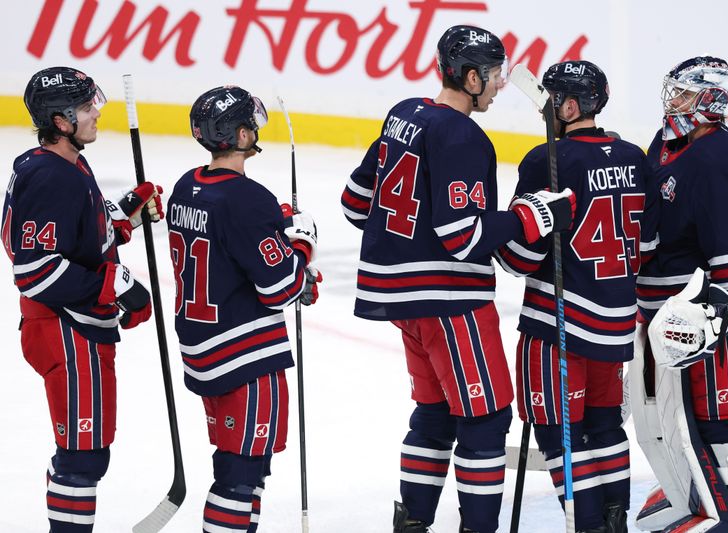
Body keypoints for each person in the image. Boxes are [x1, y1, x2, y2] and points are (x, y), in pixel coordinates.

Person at [341, 26, 574, 533]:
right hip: (450, 304)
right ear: (469, 77)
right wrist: (527, 216)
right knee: (486, 418)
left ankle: (413, 523)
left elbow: (355, 204)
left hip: (398, 300)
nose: (497, 86)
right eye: (492, 76)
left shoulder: (402, 113)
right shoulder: (465, 136)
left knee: (434, 411)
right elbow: (463, 238)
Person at [495, 60, 660, 533]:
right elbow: (645, 247)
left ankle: (587, 525)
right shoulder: (634, 157)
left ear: (568, 105)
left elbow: (518, 258)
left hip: (557, 326)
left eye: (550, 101)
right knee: (606, 428)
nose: (544, 110)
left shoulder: (547, 159)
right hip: (615, 327)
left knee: (560, 435)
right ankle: (614, 522)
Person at [1, 66, 160, 532]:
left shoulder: (64, 163)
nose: (97, 114)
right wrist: (115, 286)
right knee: (81, 458)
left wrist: (128, 209)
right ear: (62, 121)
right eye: (88, 107)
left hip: (74, 329)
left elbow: (79, 230)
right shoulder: (55, 177)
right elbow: (35, 270)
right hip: (65, 332)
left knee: (87, 454)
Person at [631, 56, 728, 532]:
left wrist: (722, 313)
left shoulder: (721, 156)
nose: (672, 104)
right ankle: (692, 493)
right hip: (659, 316)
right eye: (672, 93)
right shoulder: (666, 144)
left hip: (707, 322)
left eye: (683, 95)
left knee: (713, 416)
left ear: (709, 99)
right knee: (664, 419)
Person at [166, 85, 321, 532]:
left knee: (243, 466)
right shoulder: (247, 199)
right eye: (249, 125)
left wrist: (274, 223)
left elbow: (226, 244)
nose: (255, 131)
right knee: (239, 474)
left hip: (203, 350)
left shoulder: (186, 186)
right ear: (237, 134)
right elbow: (280, 288)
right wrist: (302, 249)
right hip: (244, 358)